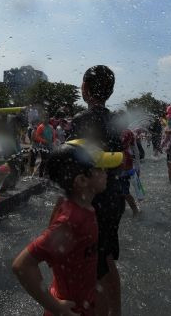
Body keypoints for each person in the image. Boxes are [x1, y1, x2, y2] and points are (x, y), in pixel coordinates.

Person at [12, 140, 122, 316]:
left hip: (85, 302)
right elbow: (22, 265)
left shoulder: (82, 206)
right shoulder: (71, 220)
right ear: (82, 180)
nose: (106, 172)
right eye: (101, 169)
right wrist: (56, 307)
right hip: (73, 309)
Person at [65, 65, 124, 316]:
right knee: (106, 257)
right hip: (114, 195)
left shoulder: (82, 120)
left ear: (86, 89)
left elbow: (72, 163)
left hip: (94, 200)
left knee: (93, 264)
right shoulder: (114, 120)